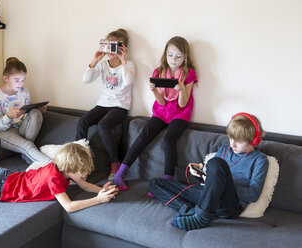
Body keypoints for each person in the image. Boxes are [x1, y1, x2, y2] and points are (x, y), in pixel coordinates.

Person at [148, 113, 269, 231]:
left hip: (230, 205)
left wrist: (222, 183)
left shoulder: (260, 160)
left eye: (239, 141)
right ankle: (190, 209)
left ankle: (201, 218)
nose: (232, 144)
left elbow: (253, 195)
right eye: (231, 138)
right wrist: (201, 176)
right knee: (155, 183)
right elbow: (212, 180)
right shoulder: (224, 149)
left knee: (215, 163)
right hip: (209, 197)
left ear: (254, 140)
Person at [0, 135, 118, 213]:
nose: (85, 175)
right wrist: (98, 200)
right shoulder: (54, 179)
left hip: (2, 177)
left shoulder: (59, 168)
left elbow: (84, 184)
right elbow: (69, 207)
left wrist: (102, 189)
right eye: (83, 172)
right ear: (70, 167)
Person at [115, 36, 197, 190]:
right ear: (165, 55)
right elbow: (162, 102)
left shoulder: (188, 73)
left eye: (179, 56)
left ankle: (167, 181)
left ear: (185, 57)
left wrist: (181, 90)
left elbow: (183, 104)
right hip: (162, 111)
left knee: (168, 140)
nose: (174, 59)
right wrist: (154, 91)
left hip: (180, 113)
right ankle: (120, 174)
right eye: (170, 55)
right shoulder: (159, 71)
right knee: (144, 134)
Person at [76, 28, 135, 181]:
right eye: (108, 45)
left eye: (114, 46)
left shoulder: (128, 64)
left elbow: (128, 82)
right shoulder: (103, 64)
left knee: (103, 125)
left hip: (120, 106)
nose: (110, 50)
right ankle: (78, 159)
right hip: (103, 104)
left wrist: (123, 61)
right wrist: (94, 61)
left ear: (122, 48)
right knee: (82, 121)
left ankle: (115, 164)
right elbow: (86, 80)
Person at [0, 57, 50, 164]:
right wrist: (8, 116)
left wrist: (36, 110)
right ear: (6, 78)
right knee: (28, 145)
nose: (20, 84)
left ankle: (26, 153)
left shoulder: (24, 92)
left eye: (23, 80)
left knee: (36, 113)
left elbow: (26, 116)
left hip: (21, 128)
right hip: (2, 133)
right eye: (16, 80)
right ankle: (56, 166)